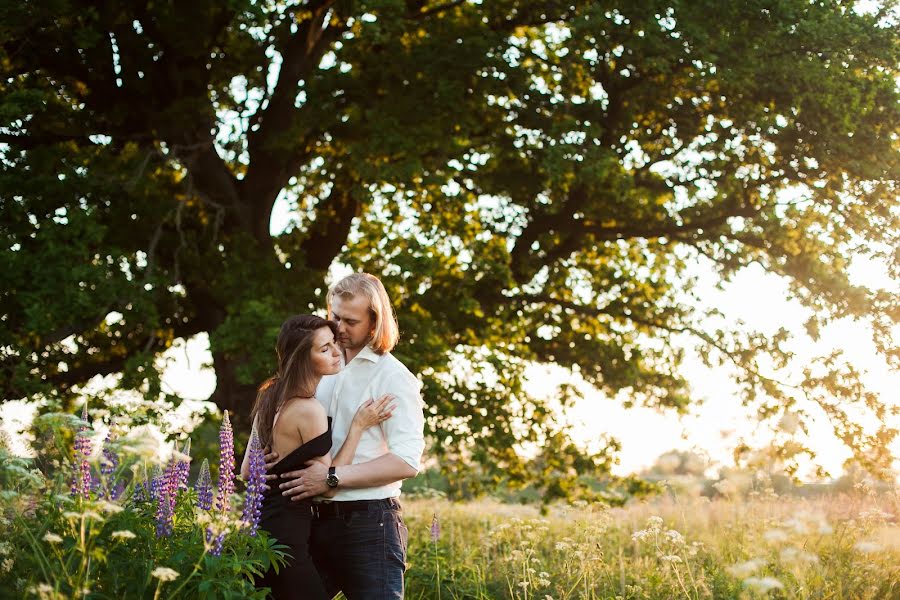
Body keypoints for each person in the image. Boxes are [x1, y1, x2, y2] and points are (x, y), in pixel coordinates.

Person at [278, 273, 426, 600]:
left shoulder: (393, 377)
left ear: (375, 323)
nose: (339, 328)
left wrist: (331, 478)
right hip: (311, 523)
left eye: (351, 321)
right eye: (334, 317)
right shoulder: (321, 365)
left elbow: (406, 460)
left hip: (370, 524)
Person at [240, 314, 397, 600]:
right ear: (303, 359)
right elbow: (328, 477)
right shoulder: (308, 409)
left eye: (334, 343)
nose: (337, 352)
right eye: (325, 349)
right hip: (286, 539)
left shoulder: (269, 395)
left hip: (258, 526)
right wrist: (358, 427)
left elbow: (247, 470)